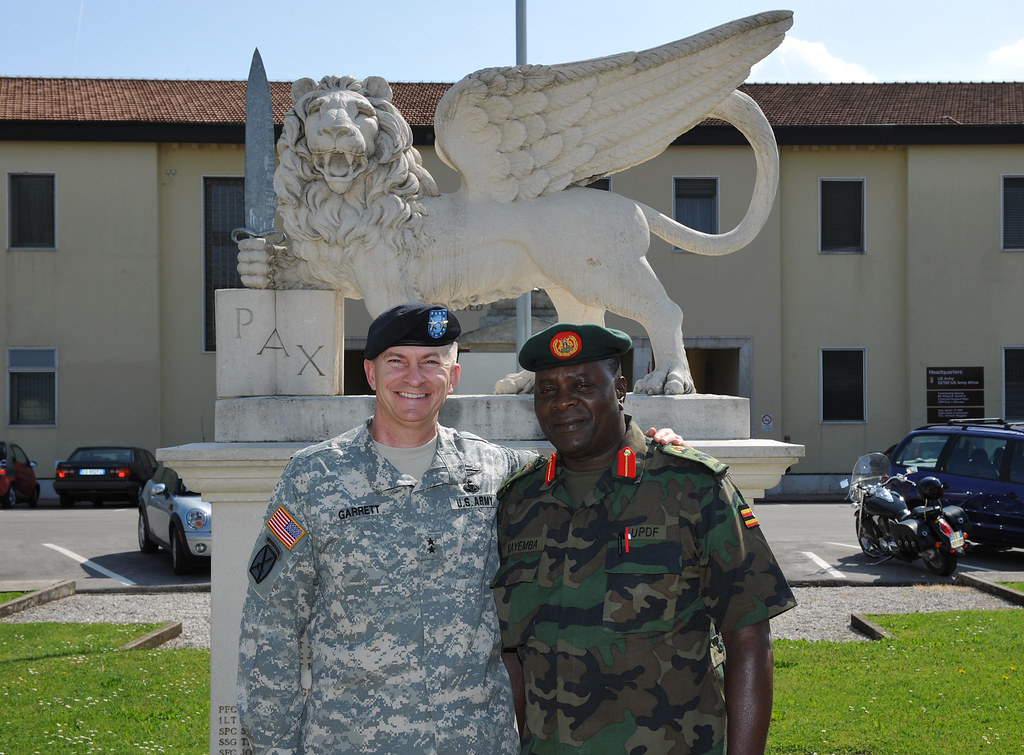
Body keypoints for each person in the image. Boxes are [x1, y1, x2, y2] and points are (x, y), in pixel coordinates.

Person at [237, 303, 683, 754]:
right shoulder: (313, 478)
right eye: (398, 361)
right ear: (370, 373)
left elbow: (586, 467)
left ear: (452, 378)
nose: (415, 378)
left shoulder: (498, 471)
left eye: (432, 362)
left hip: (476, 742)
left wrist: (649, 447)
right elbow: (269, 630)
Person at [491, 322, 797, 755]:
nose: (563, 403)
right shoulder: (519, 503)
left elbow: (747, 636)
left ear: (619, 389)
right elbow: (511, 655)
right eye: (547, 390)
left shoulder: (691, 487)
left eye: (582, 384)